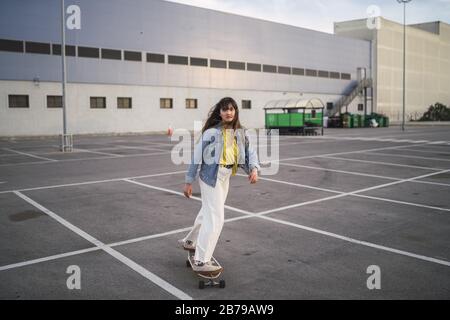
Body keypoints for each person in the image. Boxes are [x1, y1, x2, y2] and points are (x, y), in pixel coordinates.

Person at [179, 97, 260, 274]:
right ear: (220, 112)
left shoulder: (240, 132)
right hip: (210, 178)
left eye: (231, 109)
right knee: (216, 218)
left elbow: (249, 152)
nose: (228, 112)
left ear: (236, 111)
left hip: (225, 177)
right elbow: (196, 157)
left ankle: (190, 241)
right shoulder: (211, 132)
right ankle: (201, 260)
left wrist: (253, 169)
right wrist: (188, 181)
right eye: (225, 109)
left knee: (207, 212)